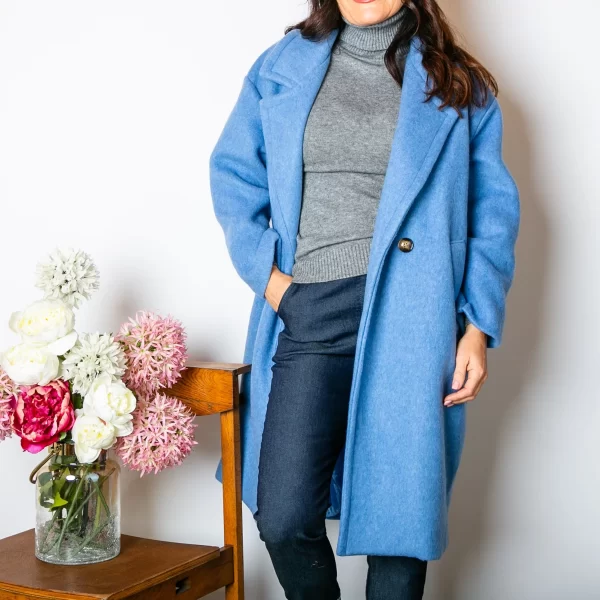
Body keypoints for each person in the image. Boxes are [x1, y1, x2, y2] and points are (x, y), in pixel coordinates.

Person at [209, 0, 520, 598]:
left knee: (398, 528)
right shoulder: (280, 66)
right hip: (310, 310)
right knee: (283, 515)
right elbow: (234, 176)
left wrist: (478, 328)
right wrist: (276, 288)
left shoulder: (460, 84)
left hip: (414, 316)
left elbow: (492, 216)